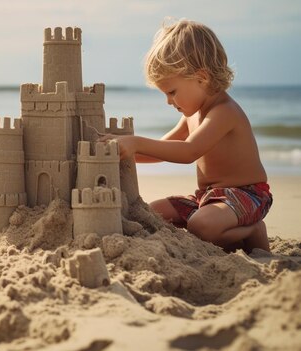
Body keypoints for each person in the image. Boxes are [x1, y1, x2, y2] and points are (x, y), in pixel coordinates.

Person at [100, 19, 272, 253]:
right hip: (208, 198)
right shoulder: (192, 115)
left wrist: (136, 142)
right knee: (150, 213)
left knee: (201, 225)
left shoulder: (224, 112)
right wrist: (122, 152)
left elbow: (188, 151)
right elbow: (162, 148)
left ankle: (254, 230)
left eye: (172, 92)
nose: (169, 101)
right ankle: (228, 236)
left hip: (247, 195)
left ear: (202, 78)